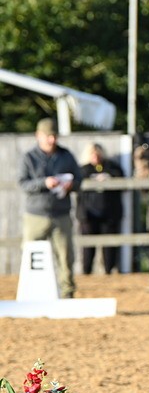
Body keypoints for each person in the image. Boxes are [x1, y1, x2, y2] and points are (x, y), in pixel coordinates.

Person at [18, 118, 83, 298]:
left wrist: (71, 185)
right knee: (29, 254)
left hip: (61, 213)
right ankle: (29, 292)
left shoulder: (66, 156)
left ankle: (68, 292)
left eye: (54, 136)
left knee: (65, 256)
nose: (52, 140)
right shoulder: (29, 158)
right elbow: (23, 184)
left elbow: (79, 181)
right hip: (35, 215)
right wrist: (44, 183)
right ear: (38, 136)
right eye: (48, 136)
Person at [79, 143, 125, 275]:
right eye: (92, 154)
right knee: (88, 246)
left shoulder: (112, 167)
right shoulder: (83, 170)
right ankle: (86, 272)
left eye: (97, 153)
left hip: (109, 213)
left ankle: (108, 271)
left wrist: (108, 178)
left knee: (109, 246)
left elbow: (121, 180)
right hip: (88, 214)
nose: (95, 157)